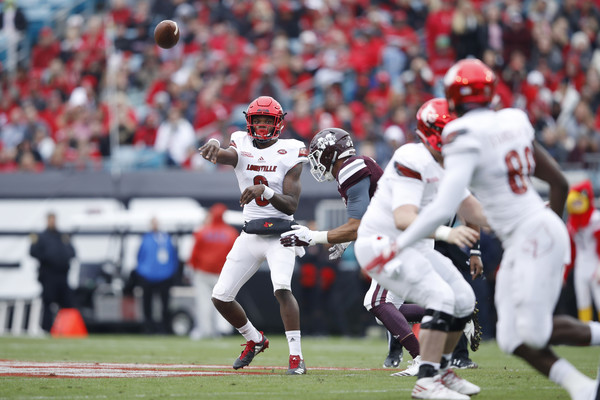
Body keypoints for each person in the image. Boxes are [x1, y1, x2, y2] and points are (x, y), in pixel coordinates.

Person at [381, 59, 600, 400]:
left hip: (533, 235)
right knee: (513, 337)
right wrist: (547, 232)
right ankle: (584, 388)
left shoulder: (460, 133)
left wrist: (399, 245)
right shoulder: (514, 119)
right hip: (536, 231)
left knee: (535, 329)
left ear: (453, 97)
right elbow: (557, 182)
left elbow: (444, 206)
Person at [354, 97, 490, 399]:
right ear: (434, 133)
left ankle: (442, 371)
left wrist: (522, 214)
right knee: (440, 297)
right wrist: (446, 232)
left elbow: (474, 210)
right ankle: (427, 381)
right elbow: (403, 218)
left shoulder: (451, 164)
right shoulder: (411, 157)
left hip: (416, 247)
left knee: (464, 300)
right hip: (383, 244)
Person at [279, 127, 424, 370]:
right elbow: (365, 220)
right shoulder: (356, 166)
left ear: (329, 153)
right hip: (400, 234)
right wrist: (342, 238)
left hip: (398, 237)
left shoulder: (350, 169)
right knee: (390, 310)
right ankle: (451, 311)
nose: (316, 163)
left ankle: (423, 359)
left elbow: (358, 225)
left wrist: (313, 237)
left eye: (317, 156)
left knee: (377, 303)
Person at [198, 95, 308, 375]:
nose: (260, 125)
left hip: (281, 233)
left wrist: (266, 191)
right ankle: (254, 339)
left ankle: (296, 357)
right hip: (250, 234)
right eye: (256, 119)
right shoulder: (241, 143)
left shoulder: (292, 150)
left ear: (278, 123)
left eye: (266, 120)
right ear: (248, 122)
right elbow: (227, 155)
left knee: (282, 288)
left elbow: (292, 204)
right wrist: (214, 144)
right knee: (220, 296)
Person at [188, 203, 237, 339]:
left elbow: (194, 254)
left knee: (204, 303)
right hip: (222, 274)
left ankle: (205, 330)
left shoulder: (202, 231)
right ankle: (222, 330)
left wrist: (192, 268)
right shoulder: (230, 233)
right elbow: (234, 255)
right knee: (223, 302)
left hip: (203, 273)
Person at [30, 212, 76, 332]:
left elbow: (72, 252)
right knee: (48, 302)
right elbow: (33, 252)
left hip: (62, 275)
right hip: (48, 275)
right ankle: (47, 328)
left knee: (66, 303)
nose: (52, 222)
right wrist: (49, 258)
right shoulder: (41, 237)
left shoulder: (62, 236)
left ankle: (66, 328)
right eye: (50, 219)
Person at [135, 217, 179, 334]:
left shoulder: (166, 238)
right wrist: (142, 271)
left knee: (164, 305)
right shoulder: (146, 238)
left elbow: (173, 257)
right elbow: (140, 256)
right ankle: (148, 327)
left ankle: (164, 327)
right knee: (147, 304)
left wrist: (170, 271)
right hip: (148, 276)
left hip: (164, 276)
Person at [565, 180, 600, 322]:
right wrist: (566, 270)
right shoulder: (572, 221)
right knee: (583, 302)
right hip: (581, 267)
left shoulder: (595, 218)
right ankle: (587, 336)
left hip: (595, 264)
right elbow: (571, 249)